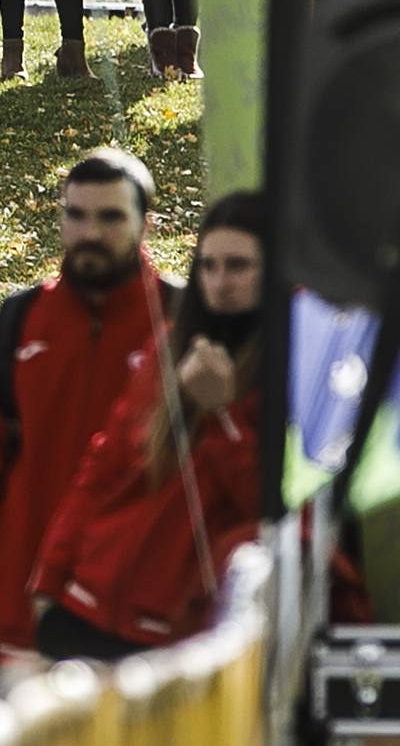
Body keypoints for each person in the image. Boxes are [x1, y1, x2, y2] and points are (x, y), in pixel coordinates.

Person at [0, 149, 174, 692]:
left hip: (153, 633)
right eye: (77, 214)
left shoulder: (184, 323)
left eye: (111, 216)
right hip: (26, 631)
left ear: (147, 223)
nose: (90, 231)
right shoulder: (12, 329)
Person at [31, 192, 265, 661]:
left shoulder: (296, 361)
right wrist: (49, 578)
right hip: (89, 601)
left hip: (184, 635)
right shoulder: (175, 342)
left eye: (238, 266)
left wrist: (223, 415)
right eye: (208, 266)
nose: (220, 283)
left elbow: (271, 505)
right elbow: (104, 466)